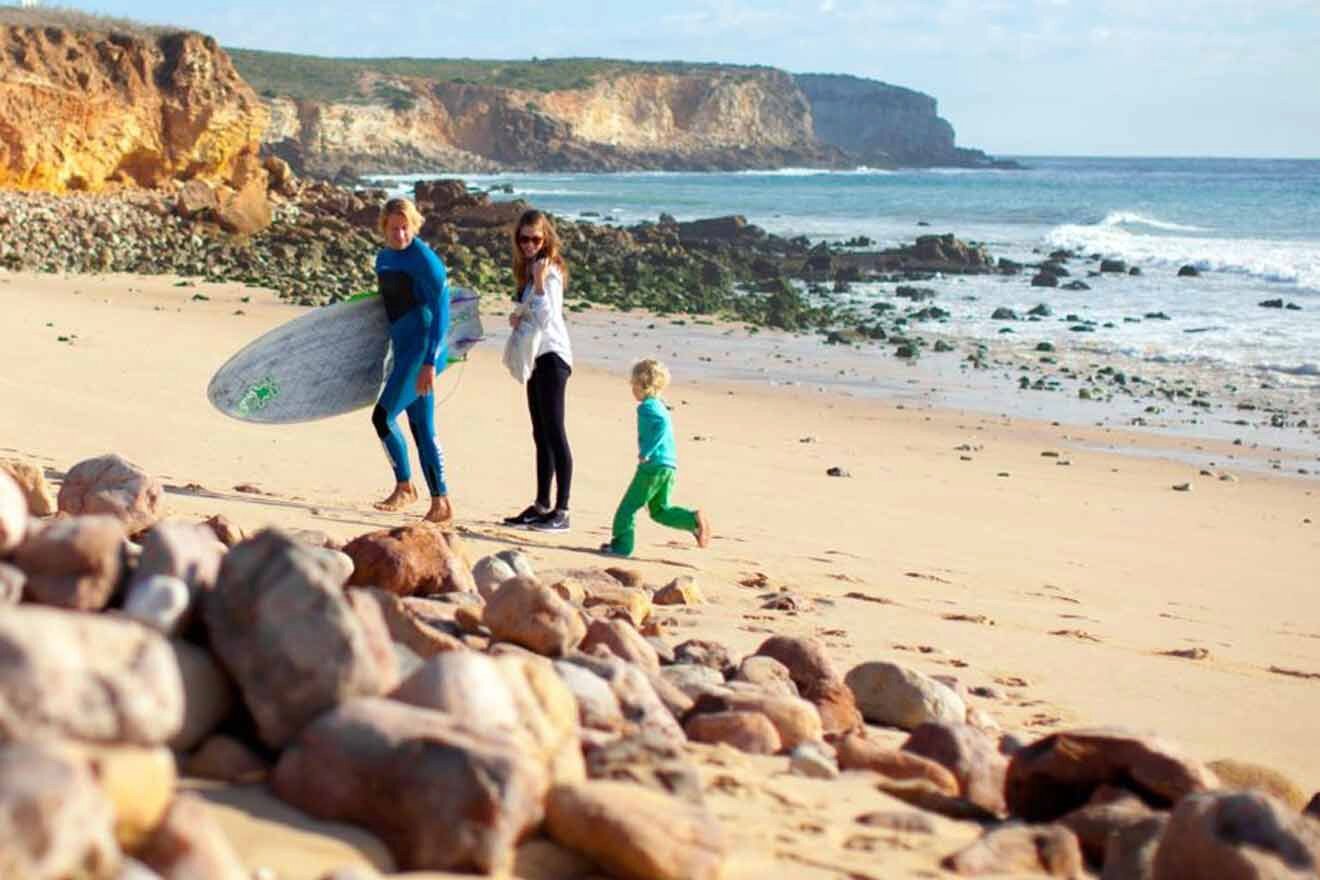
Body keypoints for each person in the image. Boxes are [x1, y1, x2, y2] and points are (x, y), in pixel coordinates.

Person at [370, 197, 453, 524]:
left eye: (405, 228)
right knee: (422, 429)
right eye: (394, 229)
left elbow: (442, 313)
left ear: (413, 225)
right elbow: (386, 308)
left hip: (421, 351)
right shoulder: (384, 258)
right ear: (384, 228)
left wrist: (430, 362)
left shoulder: (426, 260)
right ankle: (441, 503)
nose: (400, 235)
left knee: (382, 417)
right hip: (402, 350)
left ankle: (405, 486)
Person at [502, 209, 575, 532]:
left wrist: (541, 283)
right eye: (523, 238)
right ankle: (542, 504)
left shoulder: (550, 272)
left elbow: (549, 319)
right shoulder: (530, 271)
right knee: (540, 433)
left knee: (555, 433)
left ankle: (563, 509)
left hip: (554, 359)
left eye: (535, 238)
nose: (529, 244)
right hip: (536, 359)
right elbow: (533, 317)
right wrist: (518, 318)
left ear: (546, 238)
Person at [601, 359, 711, 556]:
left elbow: (661, 426)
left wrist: (647, 452)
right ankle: (691, 520)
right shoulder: (660, 404)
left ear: (643, 384)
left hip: (652, 466)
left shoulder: (647, 407)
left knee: (628, 508)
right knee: (660, 510)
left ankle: (621, 546)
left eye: (633, 384)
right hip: (669, 466)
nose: (632, 389)